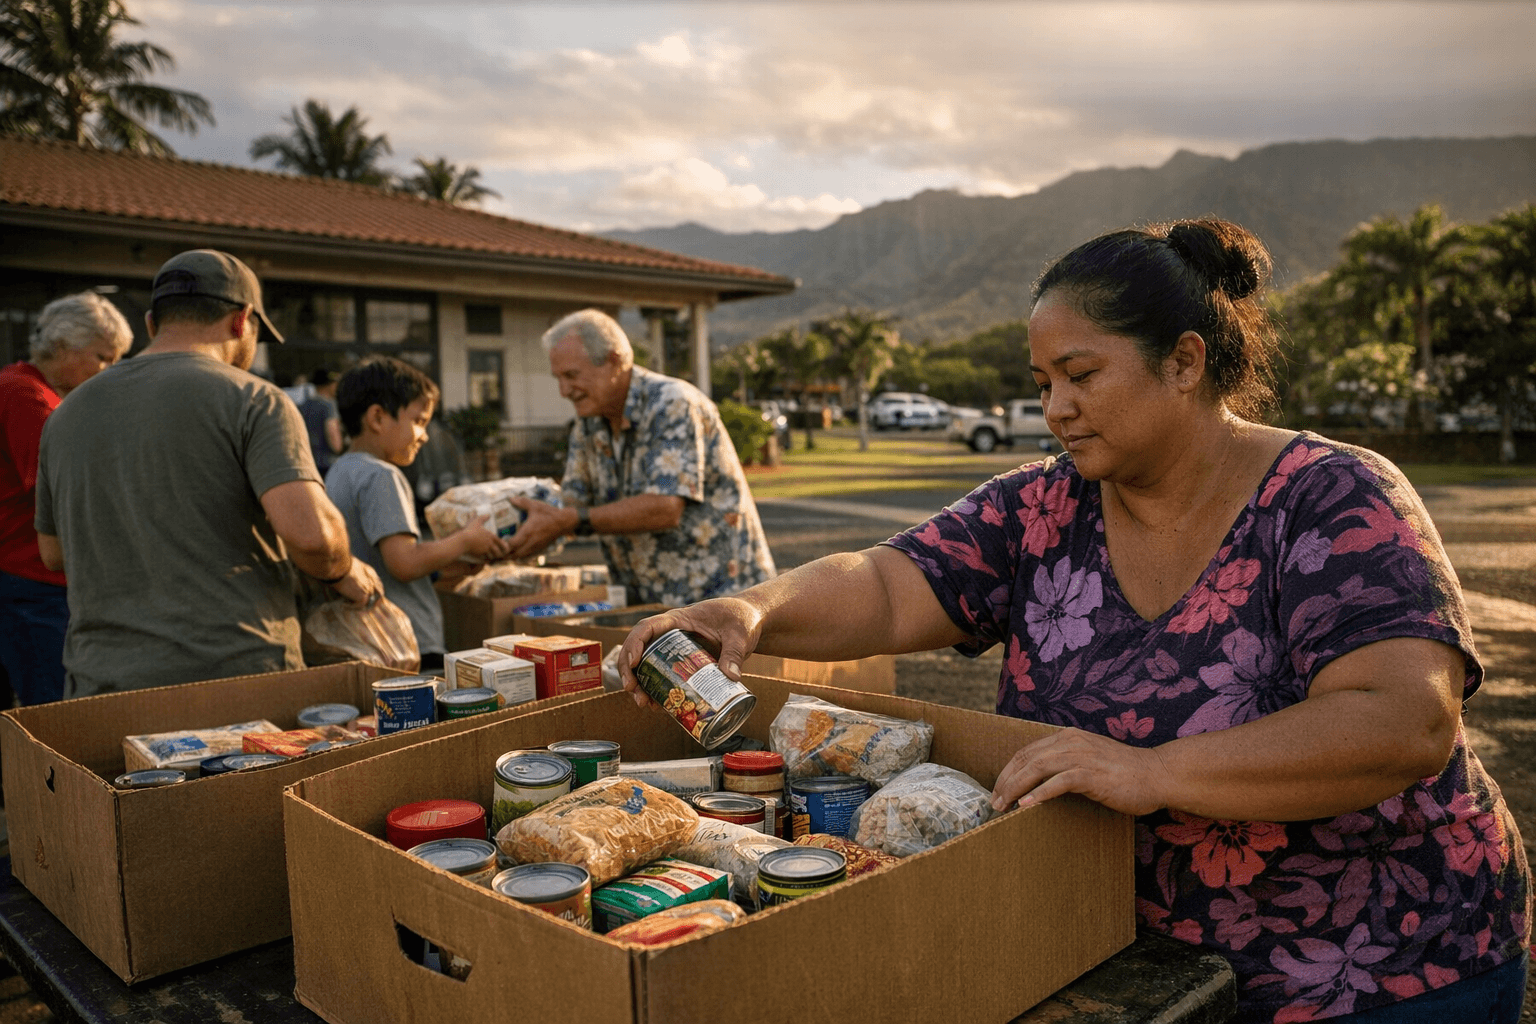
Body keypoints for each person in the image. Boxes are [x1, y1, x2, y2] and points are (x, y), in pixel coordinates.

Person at [618, 220, 1531, 1023]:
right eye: (1043, 381)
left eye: (1081, 375)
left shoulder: (1334, 497)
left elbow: (1402, 720)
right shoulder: (1044, 505)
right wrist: (752, 609)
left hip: (1382, 968)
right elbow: (890, 584)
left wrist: (1154, 770)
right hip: (1135, 959)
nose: (1055, 408)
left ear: (1185, 362)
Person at [34, 250, 381, 697]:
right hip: (232, 678)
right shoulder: (255, 400)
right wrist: (343, 570)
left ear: (152, 324)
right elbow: (312, 537)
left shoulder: (65, 414)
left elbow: (53, 552)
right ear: (242, 321)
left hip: (101, 684)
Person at [505, 308, 776, 606]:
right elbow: (571, 505)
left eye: (571, 375)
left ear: (614, 361)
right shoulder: (589, 423)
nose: (564, 391)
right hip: (652, 606)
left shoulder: (672, 403)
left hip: (722, 602)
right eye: (558, 378)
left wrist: (569, 520)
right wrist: (509, 530)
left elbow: (663, 507)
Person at [327, 357, 509, 671]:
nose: (424, 435)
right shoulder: (382, 476)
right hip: (410, 645)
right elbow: (405, 563)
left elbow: (380, 563)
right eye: (419, 421)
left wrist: (446, 567)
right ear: (377, 418)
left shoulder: (339, 471)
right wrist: (465, 540)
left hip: (369, 643)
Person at [0, 292, 132, 706]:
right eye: (102, 357)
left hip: (32, 576)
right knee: (53, 705)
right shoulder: (26, 394)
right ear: (62, 346)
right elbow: (59, 486)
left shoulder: (34, 390)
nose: (108, 369)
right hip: (31, 578)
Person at [298, 367, 344, 478]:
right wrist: (339, 449)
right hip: (328, 463)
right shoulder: (328, 405)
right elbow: (332, 433)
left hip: (308, 463)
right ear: (329, 385)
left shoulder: (303, 405)